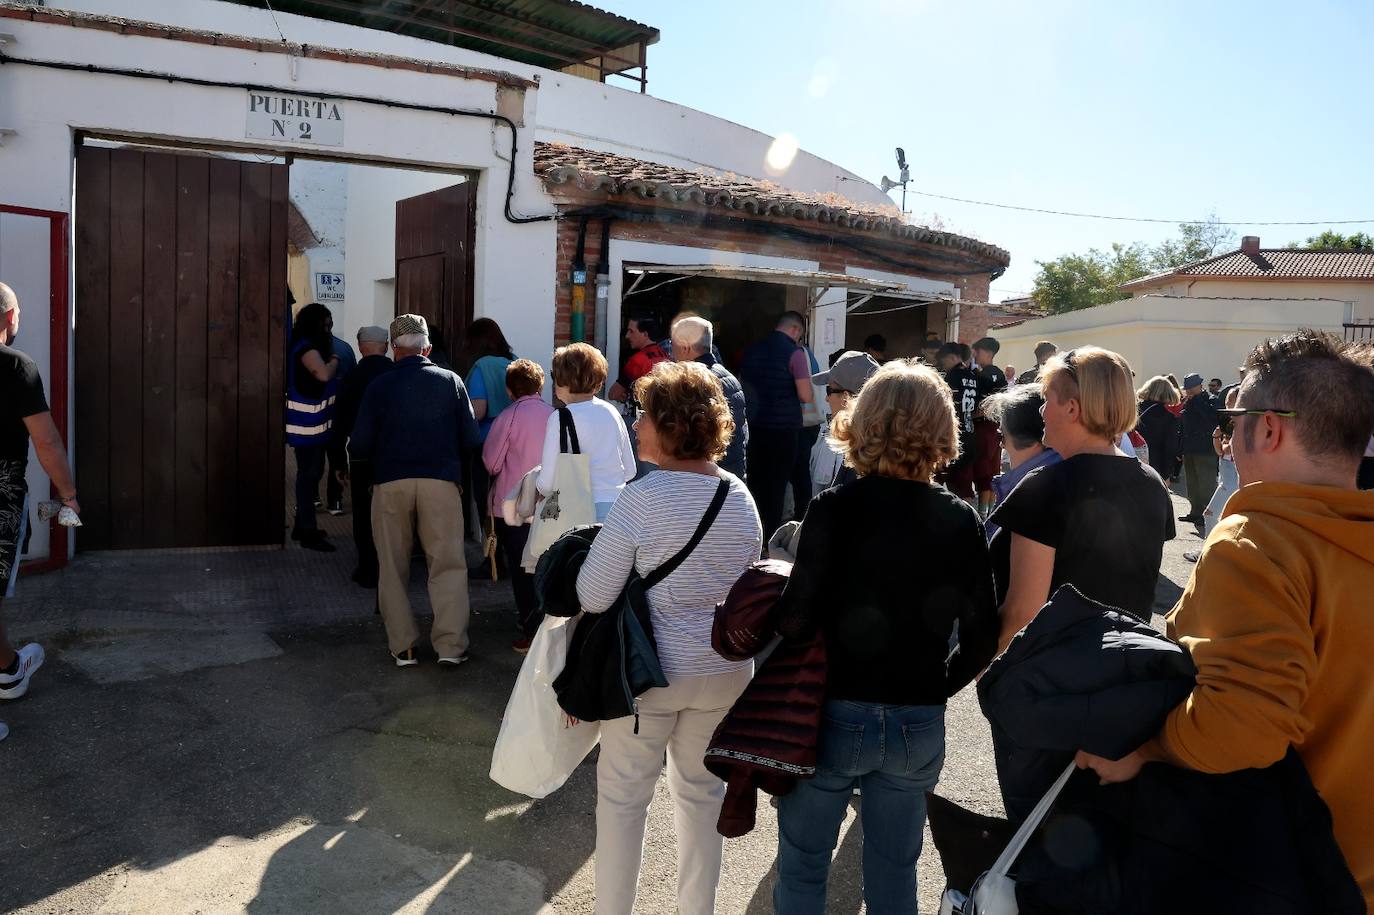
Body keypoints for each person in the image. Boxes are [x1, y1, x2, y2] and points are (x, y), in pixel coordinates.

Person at [1075, 331, 1374, 908]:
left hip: (1291, 870)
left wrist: (1149, 750)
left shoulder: (1253, 542)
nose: (1227, 436)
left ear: (1268, 428)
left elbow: (1245, 723)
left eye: (1232, 417)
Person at [771, 359, 998, 913]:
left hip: (832, 709)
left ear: (863, 422)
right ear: (941, 430)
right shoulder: (959, 518)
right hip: (916, 713)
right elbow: (982, 634)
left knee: (803, 865)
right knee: (895, 869)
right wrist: (935, 688)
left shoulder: (831, 510)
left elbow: (795, 621)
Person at [575, 360, 763, 915]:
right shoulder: (740, 494)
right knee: (702, 797)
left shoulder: (643, 497)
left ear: (672, 424)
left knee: (623, 802)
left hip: (648, 674)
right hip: (724, 673)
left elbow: (593, 595)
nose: (636, 426)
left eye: (645, 416)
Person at [989, 347, 1174, 650]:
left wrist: (966, 672)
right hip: (1123, 673)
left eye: (1047, 400)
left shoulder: (1045, 486)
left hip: (1053, 679)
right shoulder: (1152, 482)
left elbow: (1022, 615)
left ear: (1072, 409)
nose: (1041, 412)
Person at [349, 314, 480, 667]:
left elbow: (358, 445)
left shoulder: (379, 386)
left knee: (391, 566)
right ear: (428, 348)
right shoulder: (450, 381)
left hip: (390, 482)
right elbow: (470, 438)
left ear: (394, 349)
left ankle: (403, 646)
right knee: (448, 564)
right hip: (440, 481)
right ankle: (451, 647)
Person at [0, 282, 78, 743]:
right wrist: (68, 495)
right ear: (11, 318)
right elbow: (45, 441)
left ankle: (8, 668)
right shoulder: (15, 367)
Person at [482, 358, 554, 653]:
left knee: (523, 570)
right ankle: (547, 624)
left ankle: (530, 630)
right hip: (551, 504)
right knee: (547, 566)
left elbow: (491, 463)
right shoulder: (555, 415)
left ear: (510, 390)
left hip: (514, 506)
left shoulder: (508, 416)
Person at [537, 343, 636, 523]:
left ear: (562, 380)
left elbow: (547, 484)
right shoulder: (612, 412)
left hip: (579, 514)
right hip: (619, 511)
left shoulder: (560, 418)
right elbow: (629, 470)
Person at [738, 311, 814, 540]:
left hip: (754, 428)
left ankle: (750, 534)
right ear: (795, 330)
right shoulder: (795, 353)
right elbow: (806, 395)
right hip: (783, 431)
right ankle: (769, 539)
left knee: (755, 483)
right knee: (776, 487)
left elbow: (742, 384)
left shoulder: (751, 350)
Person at [334, 325, 395, 589]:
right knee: (394, 514)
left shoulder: (352, 376)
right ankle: (393, 567)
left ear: (360, 346)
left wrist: (337, 462)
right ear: (386, 346)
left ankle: (368, 568)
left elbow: (339, 422)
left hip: (361, 455)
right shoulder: (396, 374)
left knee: (362, 511)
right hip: (395, 455)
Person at [287, 303, 343, 552]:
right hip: (306, 426)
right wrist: (335, 360)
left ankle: (303, 525)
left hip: (314, 426)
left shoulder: (305, 344)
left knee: (311, 474)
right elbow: (322, 374)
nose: (329, 328)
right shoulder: (306, 347)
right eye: (326, 323)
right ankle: (308, 531)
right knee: (308, 476)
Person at [980, 381, 1061, 549]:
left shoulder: (1031, 498)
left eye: (1002, 436)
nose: (1001, 445)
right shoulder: (1068, 476)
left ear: (1034, 441)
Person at [670, 316, 748, 479]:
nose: (671, 351)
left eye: (673, 344)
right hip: (731, 475)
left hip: (703, 481)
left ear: (685, 347)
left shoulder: (692, 383)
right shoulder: (729, 377)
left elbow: (689, 439)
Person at [464, 318, 517, 552]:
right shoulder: (515, 362)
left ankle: (492, 558)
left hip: (487, 445)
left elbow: (478, 410)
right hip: (516, 445)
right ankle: (510, 552)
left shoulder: (482, 366)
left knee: (487, 502)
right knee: (513, 501)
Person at [1185, 386, 1241, 562]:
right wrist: (1217, 438)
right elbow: (1220, 452)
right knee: (1215, 516)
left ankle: (1209, 552)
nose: (1226, 406)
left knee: (1210, 515)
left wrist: (1218, 439)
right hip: (1227, 481)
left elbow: (1226, 450)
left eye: (1229, 403)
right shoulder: (1232, 424)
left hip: (1231, 483)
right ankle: (1211, 551)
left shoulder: (1241, 426)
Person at [810, 350, 881, 489]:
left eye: (829, 390)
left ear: (846, 398)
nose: (826, 399)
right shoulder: (829, 436)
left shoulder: (870, 453)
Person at [970, 336, 1009, 519]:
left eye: (976, 351)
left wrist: (971, 415)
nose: (974, 355)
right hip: (996, 428)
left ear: (985, 351)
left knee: (983, 472)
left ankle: (982, 514)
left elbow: (986, 406)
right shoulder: (1000, 374)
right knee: (993, 470)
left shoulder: (984, 374)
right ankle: (990, 511)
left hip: (984, 428)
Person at [936, 343, 979, 503]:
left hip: (952, 437)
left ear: (953, 357)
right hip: (970, 434)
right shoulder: (973, 377)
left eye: (944, 362)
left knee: (939, 483)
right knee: (964, 486)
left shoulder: (950, 378)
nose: (944, 366)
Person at [1178, 372, 1221, 525]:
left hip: (1205, 449)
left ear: (1200, 386)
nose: (1188, 391)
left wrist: (1195, 401)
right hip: (1190, 448)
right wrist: (1180, 448)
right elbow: (1183, 426)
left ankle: (1206, 514)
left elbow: (1211, 420)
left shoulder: (1211, 400)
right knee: (1192, 482)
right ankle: (1195, 511)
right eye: (1187, 388)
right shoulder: (1188, 402)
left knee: (1206, 483)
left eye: (1191, 388)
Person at [790, 341, 826, 520]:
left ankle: (800, 517)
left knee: (799, 473)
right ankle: (802, 515)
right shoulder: (808, 353)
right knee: (802, 471)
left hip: (801, 423)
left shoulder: (797, 354)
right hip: (811, 424)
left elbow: (803, 393)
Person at [324, 327, 358, 515]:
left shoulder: (306, 349)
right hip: (340, 410)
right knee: (336, 454)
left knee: (312, 459)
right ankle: (334, 501)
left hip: (313, 414)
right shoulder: (344, 348)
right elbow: (353, 378)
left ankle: (312, 499)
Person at [607, 312, 669, 404]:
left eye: (631, 331)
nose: (627, 336)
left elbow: (613, 394)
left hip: (643, 413)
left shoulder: (637, 360)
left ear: (645, 334)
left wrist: (626, 395)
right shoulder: (665, 355)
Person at [1135, 375, 1182, 483]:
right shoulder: (1169, 418)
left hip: (1130, 458)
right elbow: (1169, 448)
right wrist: (1167, 474)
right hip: (1153, 466)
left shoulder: (1134, 409)